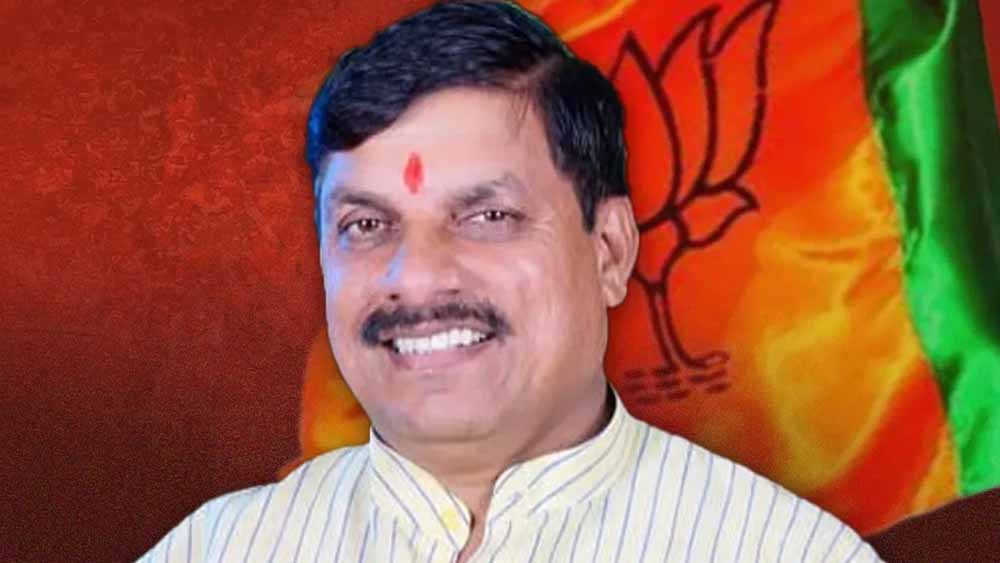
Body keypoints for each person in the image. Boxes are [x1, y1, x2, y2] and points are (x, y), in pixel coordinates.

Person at [139, 1, 883, 561]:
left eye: (487, 215)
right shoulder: (220, 550)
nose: (416, 276)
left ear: (610, 250)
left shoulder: (785, 551)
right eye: (367, 225)